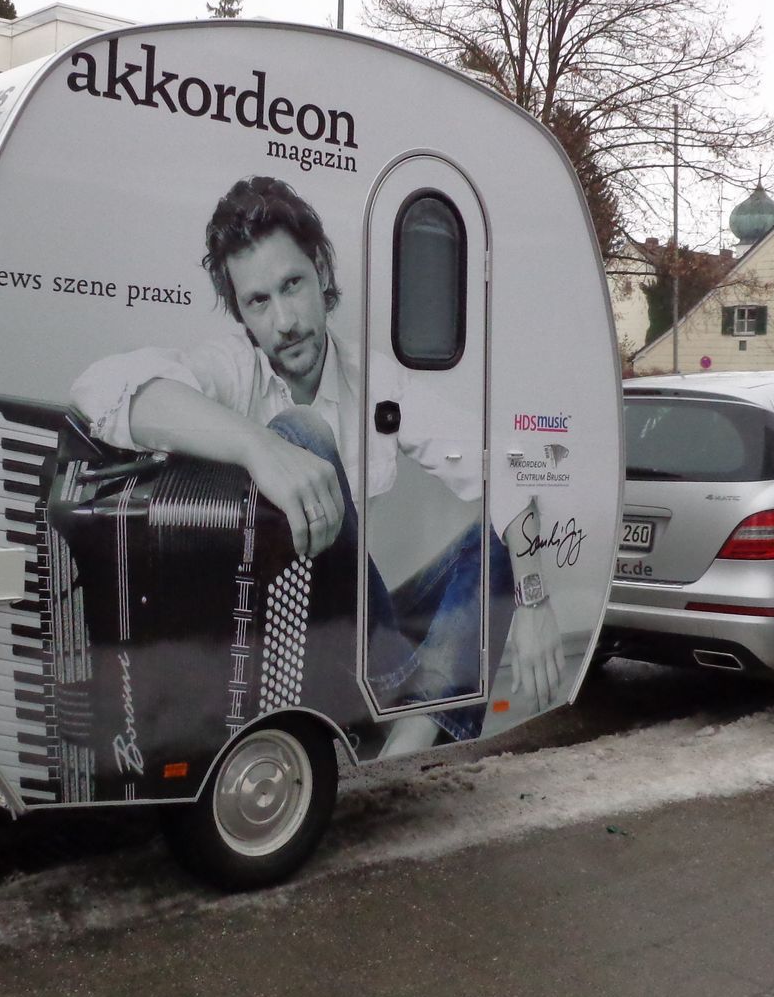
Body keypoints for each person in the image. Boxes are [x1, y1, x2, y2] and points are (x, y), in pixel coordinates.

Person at [70, 176, 564, 754]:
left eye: (293, 285)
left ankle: (414, 728)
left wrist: (533, 599)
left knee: (496, 539)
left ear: (322, 274)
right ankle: (418, 715)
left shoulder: (377, 382)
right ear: (242, 314)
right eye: (259, 301)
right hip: (271, 659)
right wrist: (262, 447)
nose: (285, 320)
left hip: (366, 647)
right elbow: (101, 389)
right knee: (304, 432)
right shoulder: (233, 369)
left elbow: (498, 465)